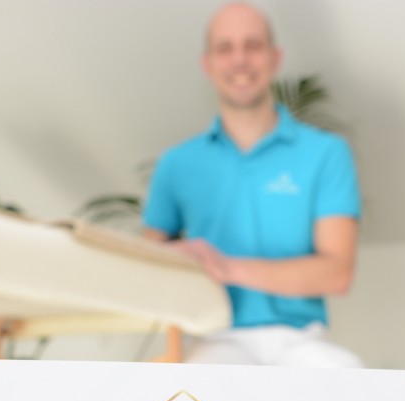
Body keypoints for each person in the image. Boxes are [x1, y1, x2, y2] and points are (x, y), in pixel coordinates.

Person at [142, 2, 363, 368]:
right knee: (197, 384)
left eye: (253, 46)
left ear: (275, 57)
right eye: (225, 48)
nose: (240, 60)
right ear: (207, 63)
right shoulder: (176, 164)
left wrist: (227, 268)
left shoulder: (327, 153)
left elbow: (337, 274)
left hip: (303, 341)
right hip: (214, 338)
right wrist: (173, 257)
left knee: (348, 376)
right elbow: (146, 266)